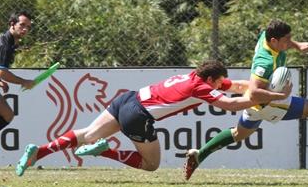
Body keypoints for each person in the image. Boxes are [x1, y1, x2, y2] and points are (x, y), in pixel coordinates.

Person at [15, 60, 291, 175]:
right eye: (220, 82)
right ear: (210, 79)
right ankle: (106, 152)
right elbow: (232, 106)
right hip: (138, 115)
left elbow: (239, 87)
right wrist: (276, 97)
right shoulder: (201, 87)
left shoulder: (195, 77)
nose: (223, 84)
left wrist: (258, 89)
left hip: (126, 99)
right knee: (151, 164)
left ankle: (39, 151)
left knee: (87, 133)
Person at [184, 19, 308, 180]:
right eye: (286, 40)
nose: (288, 42)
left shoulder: (266, 37)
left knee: (238, 134)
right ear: (274, 41)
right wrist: (281, 96)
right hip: (266, 101)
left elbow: (283, 42)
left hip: (258, 104)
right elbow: (254, 94)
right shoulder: (265, 62)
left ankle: (199, 155)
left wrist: (297, 45)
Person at [0, 10, 35, 187]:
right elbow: (2, 72)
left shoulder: (10, 43)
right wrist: (23, 82)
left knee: (7, 114)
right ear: (11, 24)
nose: (25, 29)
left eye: (28, 27)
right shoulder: (5, 42)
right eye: (22, 25)